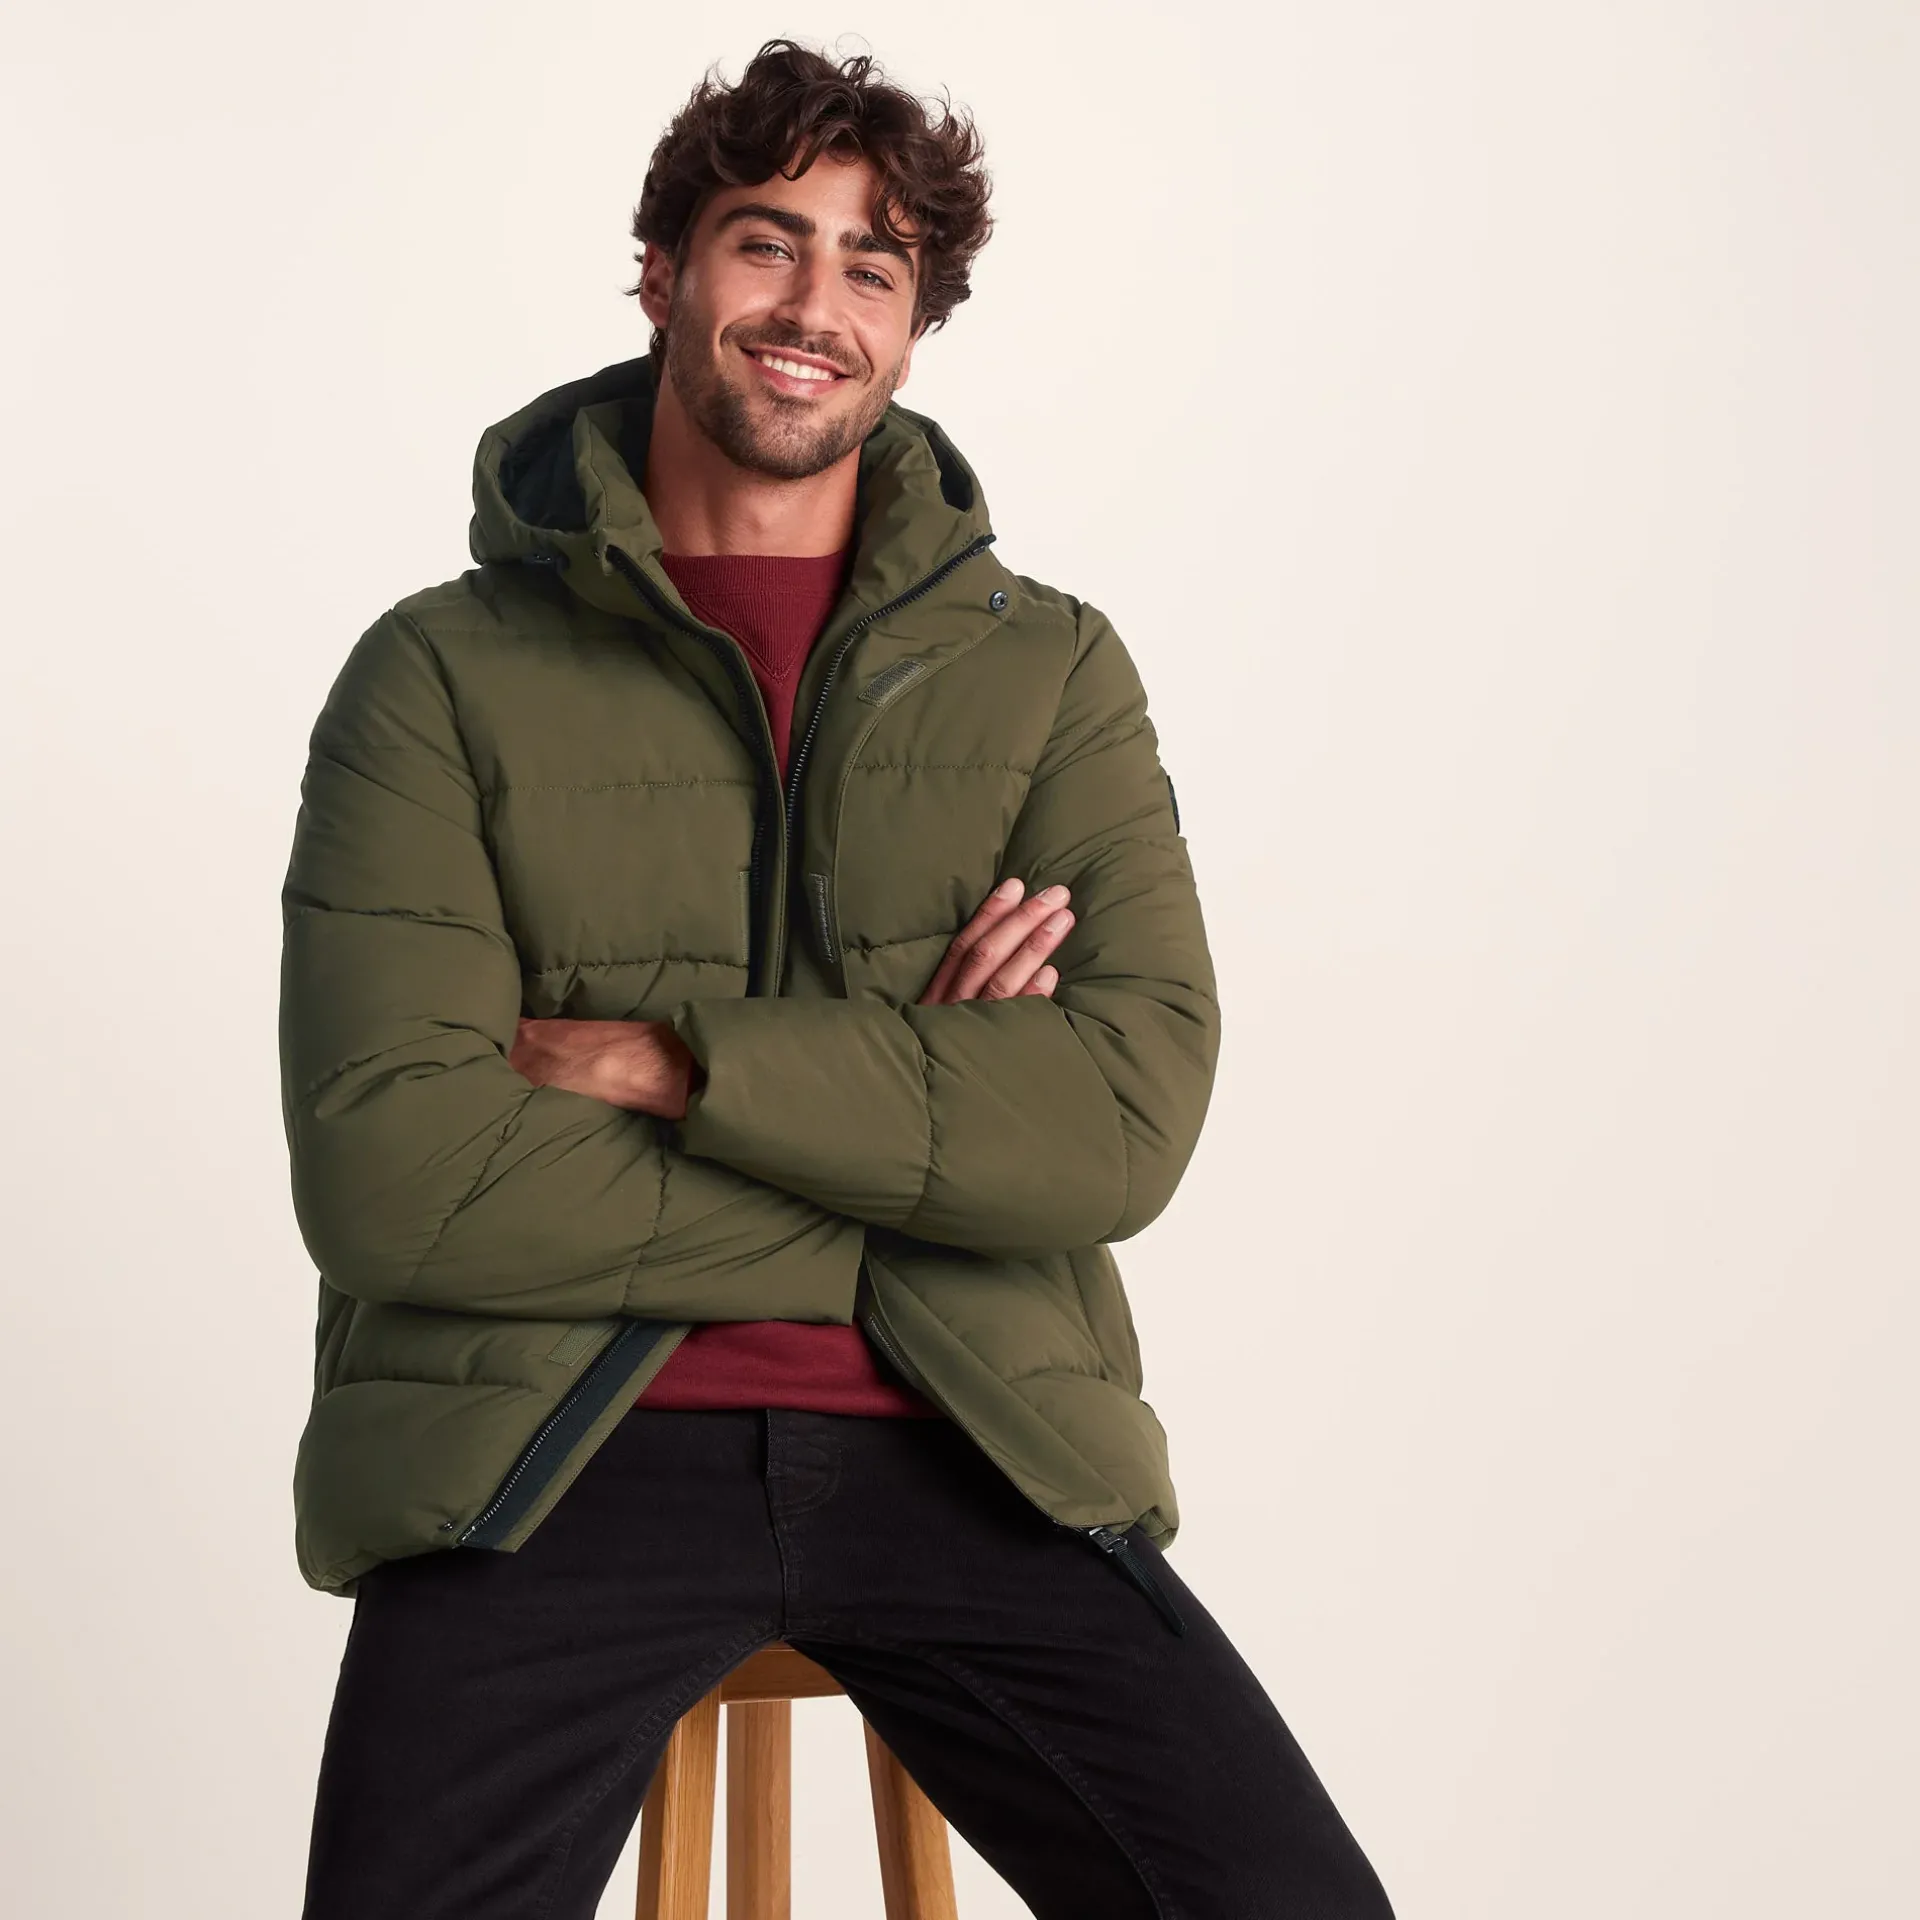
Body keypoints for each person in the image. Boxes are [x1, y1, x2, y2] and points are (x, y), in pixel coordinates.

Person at [283, 37, 1393, 1919]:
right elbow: (397, 1176)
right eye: (766, 244)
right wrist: (913, 1112)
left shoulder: (1049, 673)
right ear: (663, 272)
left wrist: (677, 1067)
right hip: (551, 1455)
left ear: (914, 327)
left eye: (872, 267)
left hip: (968, 1437)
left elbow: (1121, 1125)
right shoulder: (437, 677)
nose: (815, 307)